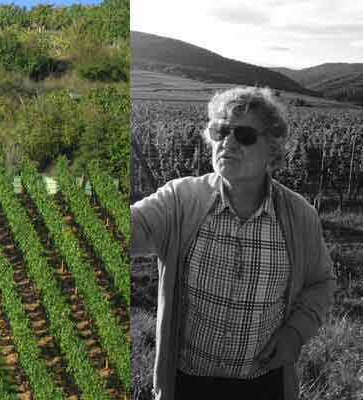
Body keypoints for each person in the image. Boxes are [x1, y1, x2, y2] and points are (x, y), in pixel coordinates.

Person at [130, 87, 335, 400]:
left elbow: (321, 283)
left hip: (263, 383)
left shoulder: (299, 216)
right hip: (187, 383)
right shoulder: (181, 200)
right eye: (220, 131)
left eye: (244, 134)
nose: (227, 141)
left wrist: (295, 333)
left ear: (273, 148)